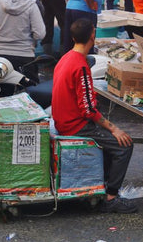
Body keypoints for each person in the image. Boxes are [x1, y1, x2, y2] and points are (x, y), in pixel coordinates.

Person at [51, 16, 134, 198]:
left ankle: (100, 185)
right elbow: (88, 109)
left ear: (73, 38)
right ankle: (111, 195)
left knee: (108, 140)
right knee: (124, 145)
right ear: (92, 36)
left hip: (63, 121)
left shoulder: (65, 59)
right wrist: (115, 129)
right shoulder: (80, 66)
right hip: (74, 126)